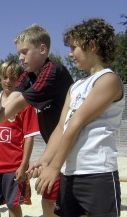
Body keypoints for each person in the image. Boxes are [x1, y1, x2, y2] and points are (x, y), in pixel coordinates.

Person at [0, 24, 74, 217]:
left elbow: (21, 102)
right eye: (18, 53)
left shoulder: (52, 72)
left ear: (42, 49)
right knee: (49, 202)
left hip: (72, 146)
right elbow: (13, 99)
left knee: (64, 204)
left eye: (24, 52)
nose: (20, 58)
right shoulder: (28, 75)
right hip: (56, 146)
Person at [29, 18, 124, 217]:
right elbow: (61, 127)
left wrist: (54, 166)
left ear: (92, 45)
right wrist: (44, 160)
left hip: (97, 172)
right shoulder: (76, 86)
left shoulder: (108, 79)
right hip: (70, 172)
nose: (70, 54)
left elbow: (77, 122)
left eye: (74, 47)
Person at [0, 61, 40, 217]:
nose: (8, 81)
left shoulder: (24, 104)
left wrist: (23, 165)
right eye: (5, 77)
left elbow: (29, 137)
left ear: (20, 80)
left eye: (13, 78)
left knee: (13, 205)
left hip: (14, 166)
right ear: (0, 78)